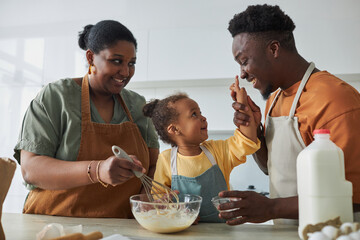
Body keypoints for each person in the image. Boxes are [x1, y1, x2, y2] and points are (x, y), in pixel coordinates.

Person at [218, 4, 360, 225]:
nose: (242, 74)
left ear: (274, 49)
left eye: (244, 61)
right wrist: (254, 131)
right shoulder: (274, 100)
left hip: (334, 231)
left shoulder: (336, 99)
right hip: (287, 231)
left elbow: (354, 196)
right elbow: (270, 168)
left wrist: (271, 207)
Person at [13, 20, 159, 218]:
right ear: (91, 57)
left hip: (122, 227)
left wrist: (147, 196)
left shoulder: (137, 105)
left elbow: (154, 165)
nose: (125, 72)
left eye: (131, 63)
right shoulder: (56, 97)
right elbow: (31, 170)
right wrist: (98, 170)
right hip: (55, 224)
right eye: (116, 61)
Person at [142, 89, 260, 222]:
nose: (203, 117)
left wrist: (243, 106)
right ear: (174, 129)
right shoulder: (166, 159)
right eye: (194, 114)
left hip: (221, 230)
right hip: (184, 232)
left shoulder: (218, 150)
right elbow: (160, 199)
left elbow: (247, 141)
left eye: (200, 113)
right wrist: (176, 212)